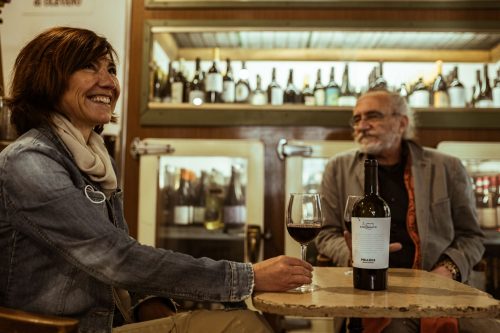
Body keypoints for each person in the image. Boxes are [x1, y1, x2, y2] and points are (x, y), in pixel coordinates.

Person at [0, 26, 314, 333]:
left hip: (112, 320)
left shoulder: (95, 159)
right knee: (240, 323)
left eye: (111, 69)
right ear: (48, 78)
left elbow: (122, 249)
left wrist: (149, 301)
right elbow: (114, 257)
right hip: (68, 328)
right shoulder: (30, 161)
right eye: (88, 67)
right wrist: (247, 277)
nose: (109, 82)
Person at [315, 89, 495, 333]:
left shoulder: (447, 167)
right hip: (369, 289)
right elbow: (326, 233)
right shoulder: (337, 169)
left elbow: (471, 236)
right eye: (356, 119)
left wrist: (447, 271)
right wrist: (355, 254)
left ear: (402, 123)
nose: (362, 125)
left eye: (373, 116)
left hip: (438, 286)